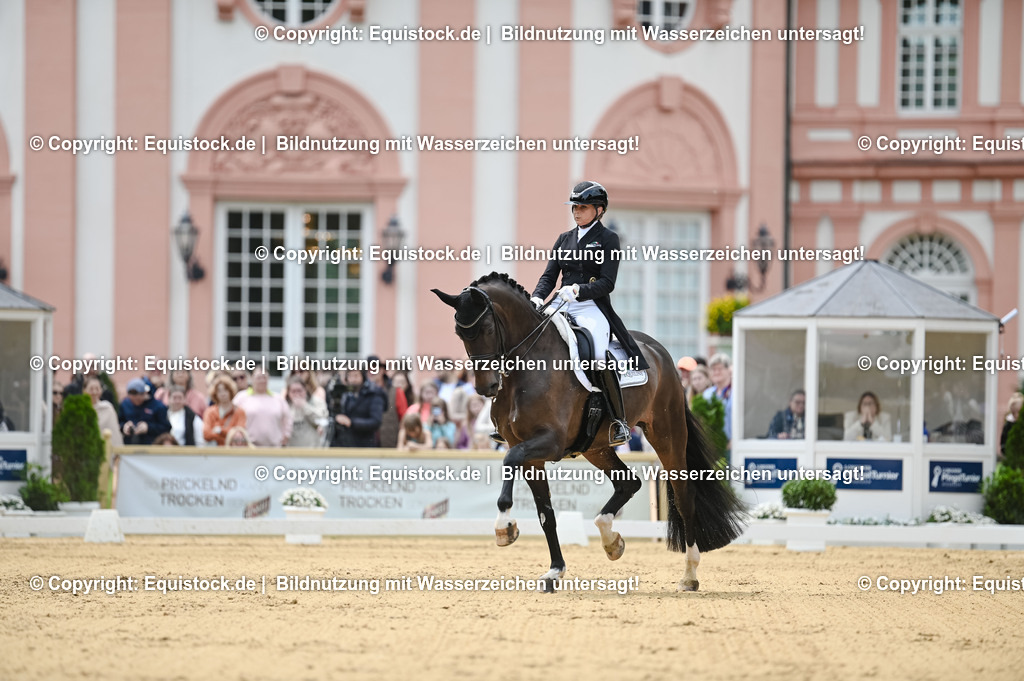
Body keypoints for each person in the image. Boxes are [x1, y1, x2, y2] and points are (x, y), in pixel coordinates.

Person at [519, 180, 648, 446]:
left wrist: (579, 290)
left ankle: (618, 420)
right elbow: (549, 276)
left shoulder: (608, 239)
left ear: (599, 210)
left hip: (591, 305)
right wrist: (536, 298)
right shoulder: (563, 239)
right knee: (529, 340)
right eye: (574, 207)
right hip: (560, 302)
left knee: (599, 353)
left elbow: (607, 283)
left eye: (583, 207)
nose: (576, 212)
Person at [328, 369, 386, 448]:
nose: (353, 379)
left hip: (364, 445)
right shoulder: (345, 394)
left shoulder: (374, 393)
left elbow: (376, 421)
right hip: (345, 444)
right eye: (350, 376)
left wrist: (351, 422)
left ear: (363, 376)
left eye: (356, 375)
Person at [233, 369, 292, 446]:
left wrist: (286, 435)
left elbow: (287, 418)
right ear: (251, 378)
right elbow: (232, 417)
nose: (262, 380)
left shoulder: (278, 399)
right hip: (248, 447)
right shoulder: (241, 397)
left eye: (264, 377)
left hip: (274, 447)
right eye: (259, 377)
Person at [119, 378, 171, 445]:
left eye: (138, 398)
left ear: (144, 394)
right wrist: (124, 427)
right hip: (129, 444)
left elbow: (166, 427)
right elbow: (119, 422)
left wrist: (148, 427)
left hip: (152, 445)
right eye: (132, 399)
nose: (135, 401)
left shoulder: (158, 406)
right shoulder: (125, 404)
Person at [202, 375, 246, 446]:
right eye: (219, 391)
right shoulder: (209, 412)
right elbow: (206, 434)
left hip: (233, 452)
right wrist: (227, 434)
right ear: (215, 393)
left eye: (225, 390)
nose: (222, 393)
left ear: (231, 391)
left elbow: (238, 436)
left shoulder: (240, 411)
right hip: (214, 452)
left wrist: (219, 430)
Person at [285, 377, 328, 448]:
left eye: (299, 391)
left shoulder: (317, 402)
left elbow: (322, 420)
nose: (297, 394)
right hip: (292, 452)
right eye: (293, 391)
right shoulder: (285, 405)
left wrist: (304, 406)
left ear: (305, 390)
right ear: (288, 393)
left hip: (313, 450)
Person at [702, 353, 733, 444]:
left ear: (729, 370)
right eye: (713, 369)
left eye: (720, 369)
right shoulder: (707, 394)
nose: (716, 372)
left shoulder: (735, 393)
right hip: (712, 445)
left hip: (732, 445)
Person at [84, 376, 122, 447]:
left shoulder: (108, 408)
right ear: (84, 390)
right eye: (91, 389)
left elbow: (115, 432)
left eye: (97, 389)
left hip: (105, 449)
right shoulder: (80, 409)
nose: (94, 392)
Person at [1000, 392, 1023, 460]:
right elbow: (1003, 442)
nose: (1016, 415)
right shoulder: (1008, 425)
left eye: (1018, 412)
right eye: (1013, 412)